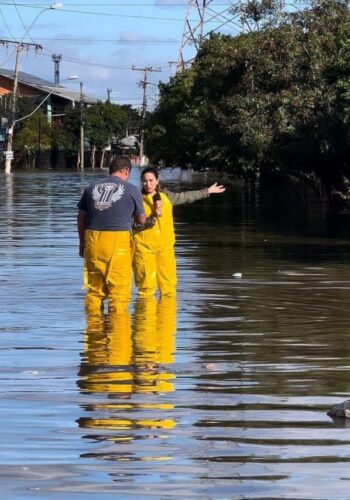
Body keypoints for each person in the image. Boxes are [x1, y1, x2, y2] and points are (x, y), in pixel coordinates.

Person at [133, 167, 225, 298]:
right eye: (144, 181)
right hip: (143, 250)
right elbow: (133, 225)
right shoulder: (136, 199)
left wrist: (207, 191)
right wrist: (153, 215)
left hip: (165, 249)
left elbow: (186, 197)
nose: (148, 184)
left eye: (150, 180)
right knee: (146, 288)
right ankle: (145, 317)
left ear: (157, 181)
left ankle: (167, 317)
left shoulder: (167, 196)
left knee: (169, 287)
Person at [77, 156, 146, 314]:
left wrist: (82, 244)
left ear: (110, 170)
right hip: (118, 244)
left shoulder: (91, 187)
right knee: (118, 295)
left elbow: (81, 217)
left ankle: (94, 333)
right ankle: (118, 335)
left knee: (94, 292)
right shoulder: (132, 189)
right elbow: (141, 221)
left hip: (93, 242)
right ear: (126, 171)